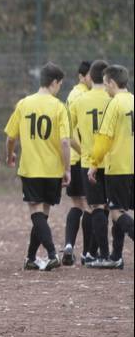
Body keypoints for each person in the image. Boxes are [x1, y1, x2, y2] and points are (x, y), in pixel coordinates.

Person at [5, 62, 71, 272]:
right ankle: (31, 258)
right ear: (54, 83)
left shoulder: (24, 104)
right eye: (60, 84)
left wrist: (10, 154)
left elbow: (10, 137)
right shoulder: (59, 107)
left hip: (31, 168)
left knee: (37, 214)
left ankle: (51, 254)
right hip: (53, 169)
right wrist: (67, 169)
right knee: (42, 214)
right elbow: (65, 142)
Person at [87, 64, 134, 269]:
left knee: (115, 212)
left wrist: (94, 163)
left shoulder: (114, 104)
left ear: (112, 83)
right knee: (120, 210)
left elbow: (104, 138)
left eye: (105, 84)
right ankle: (116, 256)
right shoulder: (132, 100)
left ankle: (114, 256)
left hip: (119, 166)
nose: (104, 88)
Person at [69, 60, 112, 268]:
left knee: (95, 207)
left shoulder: (79, 101)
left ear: (91, 77)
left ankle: (100, 254)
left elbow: (66, 132)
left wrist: (82, 150)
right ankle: (104, 253)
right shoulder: (113, 99)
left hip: (88, 162)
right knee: (111, 208)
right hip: (112, 161)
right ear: (106, 78)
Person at [63, 61, 95, 266]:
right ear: (82, 77)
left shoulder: (72, 94)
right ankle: (87, 252)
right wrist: (86, 151)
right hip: (83, 158)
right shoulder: (84, 97)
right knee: (90, 206)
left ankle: (68, 245)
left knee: (77, 204)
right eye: (90, 75)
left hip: (73, 158)